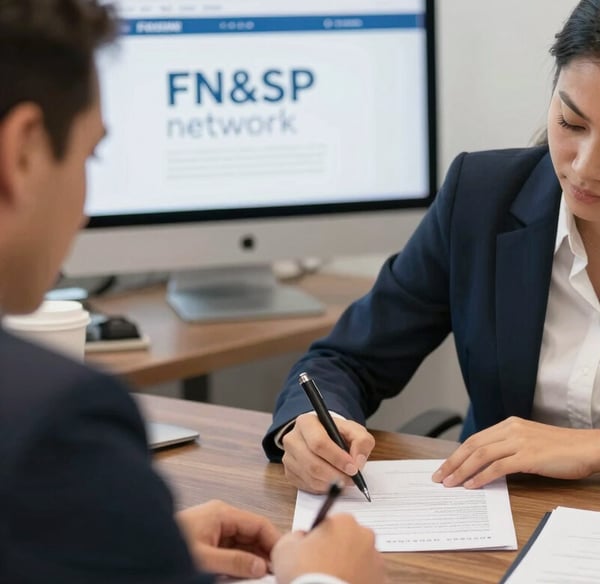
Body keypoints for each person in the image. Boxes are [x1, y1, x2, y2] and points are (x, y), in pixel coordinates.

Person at [264, 0, 600, 498]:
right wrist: (307, 422)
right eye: (571, 123)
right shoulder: (479, 197)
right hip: (496, 518)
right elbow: (346, 359)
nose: (585, 167)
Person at [0, 1, 384, 583]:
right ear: (23, 152)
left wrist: (128, 547)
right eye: (89, 155)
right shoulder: (56, 419)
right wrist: (327, 579)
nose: (85, 210)